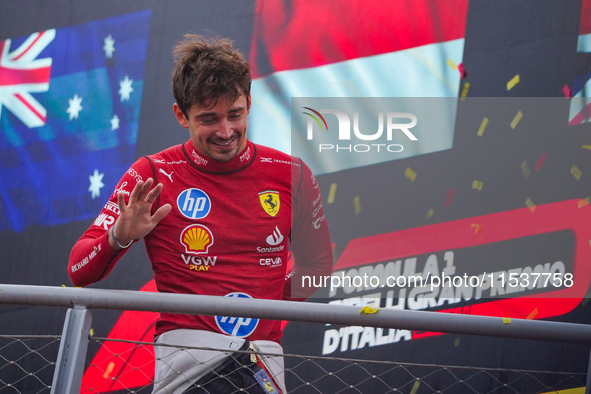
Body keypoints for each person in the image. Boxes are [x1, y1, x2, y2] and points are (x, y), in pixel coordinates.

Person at [68, 34, 333, 393]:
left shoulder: (292, 173)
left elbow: (317, 268)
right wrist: (119, 236)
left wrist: (267, 308)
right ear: (181, 115)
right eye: (209, 119)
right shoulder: (152, 174)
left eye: (235, 115)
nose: (226, 132)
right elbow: (79, 270)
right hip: (186, 361)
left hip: (263, 360)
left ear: (249, 103)